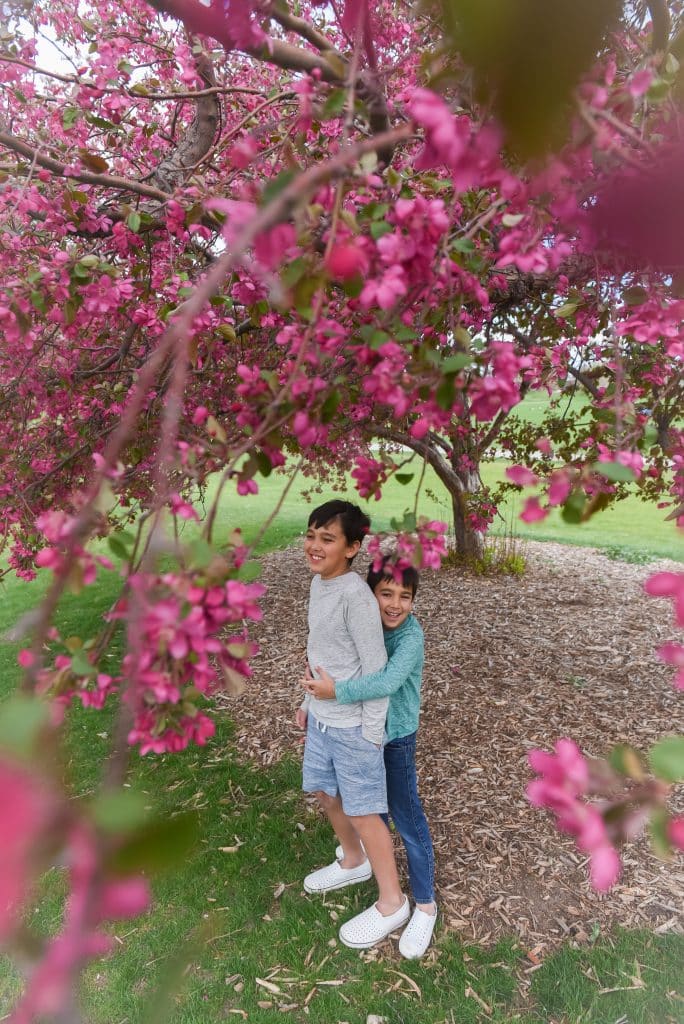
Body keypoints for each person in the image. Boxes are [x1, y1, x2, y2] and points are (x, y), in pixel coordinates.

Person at [303, 557, 437, 959]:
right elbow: (333, 659)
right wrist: (310, 702)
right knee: (353, 803)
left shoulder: (410, 638)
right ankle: (357, 860)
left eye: (405, 597)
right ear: (370, 593)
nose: (395, 604)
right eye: (386, 594)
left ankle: (426, 906)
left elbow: (387, 681)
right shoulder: (365, 622)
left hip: (394, 739)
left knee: (405, 816)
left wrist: (334, 693)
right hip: (359, 735)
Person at [296, 499, 410, 948]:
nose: (314, 546)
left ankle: (392, 902)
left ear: (352, 547)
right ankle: (353, 862)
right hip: (322, 718)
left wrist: (369, 732)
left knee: (364, 812)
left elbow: (377, 670)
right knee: (326, 794)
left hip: (354, 726)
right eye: (311, 536)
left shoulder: (356, 599)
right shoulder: (318, 584)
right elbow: (319, 650)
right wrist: (305, 700)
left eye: (327, 539)